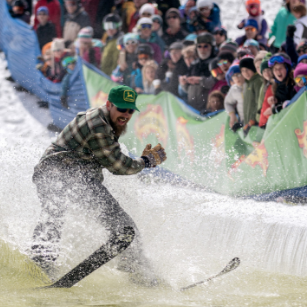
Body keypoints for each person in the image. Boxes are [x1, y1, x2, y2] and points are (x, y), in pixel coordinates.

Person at [30, 85, 167, 286]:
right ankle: (39, 266)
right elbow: (118, 165)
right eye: (121, 109)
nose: (126, 115)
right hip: (54, 172)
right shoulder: (98, 126)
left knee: (125, 230)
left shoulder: (106, 120)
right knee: (53, 215)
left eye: (130, 111)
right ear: (109, 105)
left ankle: (138, 272)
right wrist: (146, 162)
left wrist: (141, 160)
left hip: (80, 176)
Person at [180, 33, 216, 112]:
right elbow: (188, 89)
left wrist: (200, 80)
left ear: (211, 47)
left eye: (205, 46)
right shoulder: (194, 64)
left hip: (209, 108)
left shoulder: (216, 63)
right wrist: (184, 83)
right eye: (199, 46)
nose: (202, 49)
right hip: (193, 107)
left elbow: (215, 82)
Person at [239, 56, 263, 135]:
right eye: (243, 71)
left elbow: (258, 102)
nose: (245, 73)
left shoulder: (257, 81)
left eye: (247, 70)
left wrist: (252, 119)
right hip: (248, 123)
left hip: (255, 122)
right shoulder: (247, 83)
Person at [259, 55, 275, 127]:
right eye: (264, 71)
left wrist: (269, 118)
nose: (267, 73)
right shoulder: (266, 85)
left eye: (268, 70)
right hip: (265, 121)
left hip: (271, 121)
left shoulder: (275, 84)